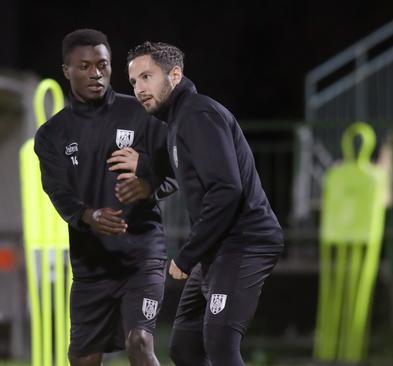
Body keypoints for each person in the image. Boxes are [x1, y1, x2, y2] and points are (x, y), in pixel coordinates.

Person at [127, 41, 284, 366]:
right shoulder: (178, 121)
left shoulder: (198, 114)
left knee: (221, 345)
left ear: (175, 74)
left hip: (244, 243)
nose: (140, 88)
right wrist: (143, 169)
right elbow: (180, 169)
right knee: (186, 348)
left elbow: (226, 190)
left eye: (147, 77)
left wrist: (186, 256)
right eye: (133, 82)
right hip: (218, 247)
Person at [34, 29, 176, 366]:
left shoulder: (142, 115)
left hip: (142, 257)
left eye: (103, 65)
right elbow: (57, 191)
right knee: (82, 359)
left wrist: (149, 184)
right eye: (84, 66)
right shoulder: (52, 134)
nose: (95, 73)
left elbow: (177, 169)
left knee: (140, 341)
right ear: (66, 70)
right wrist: (89, 216)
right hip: (91, 268)